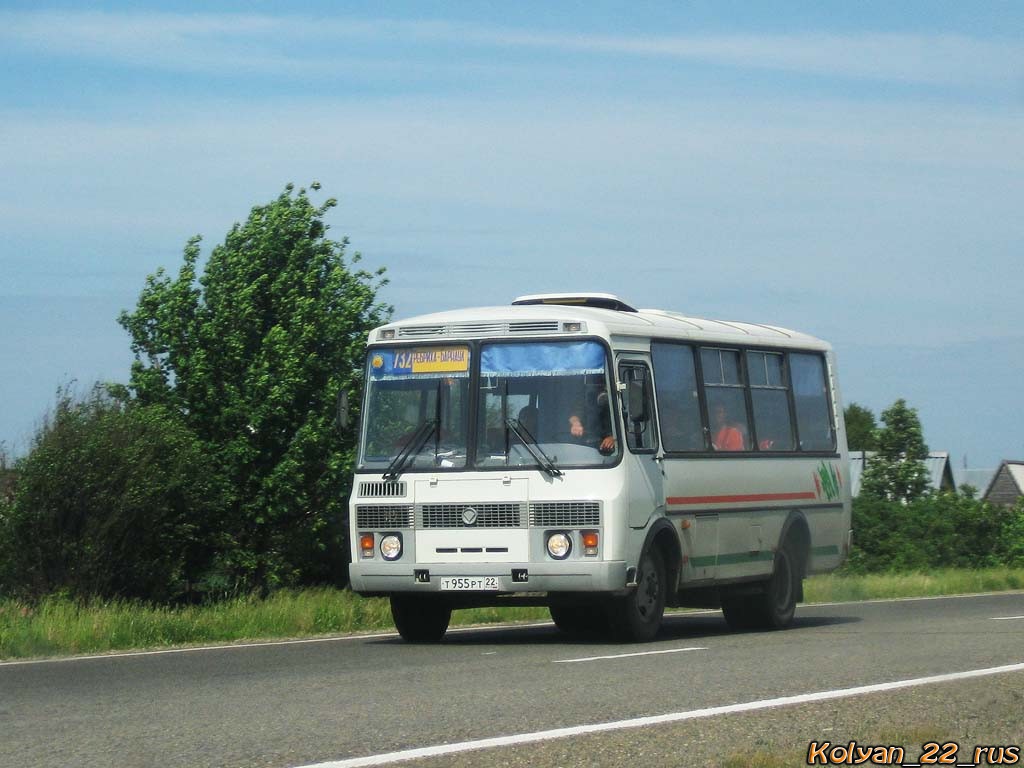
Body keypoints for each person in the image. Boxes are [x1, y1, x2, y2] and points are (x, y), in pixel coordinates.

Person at [568, 387, 615, 454]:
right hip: (583, 446)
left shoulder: (618, 395)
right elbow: (575, 413)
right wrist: (575, 423)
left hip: (610, 450)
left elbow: (629, 427)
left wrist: (615, 438)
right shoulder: (587, 394)